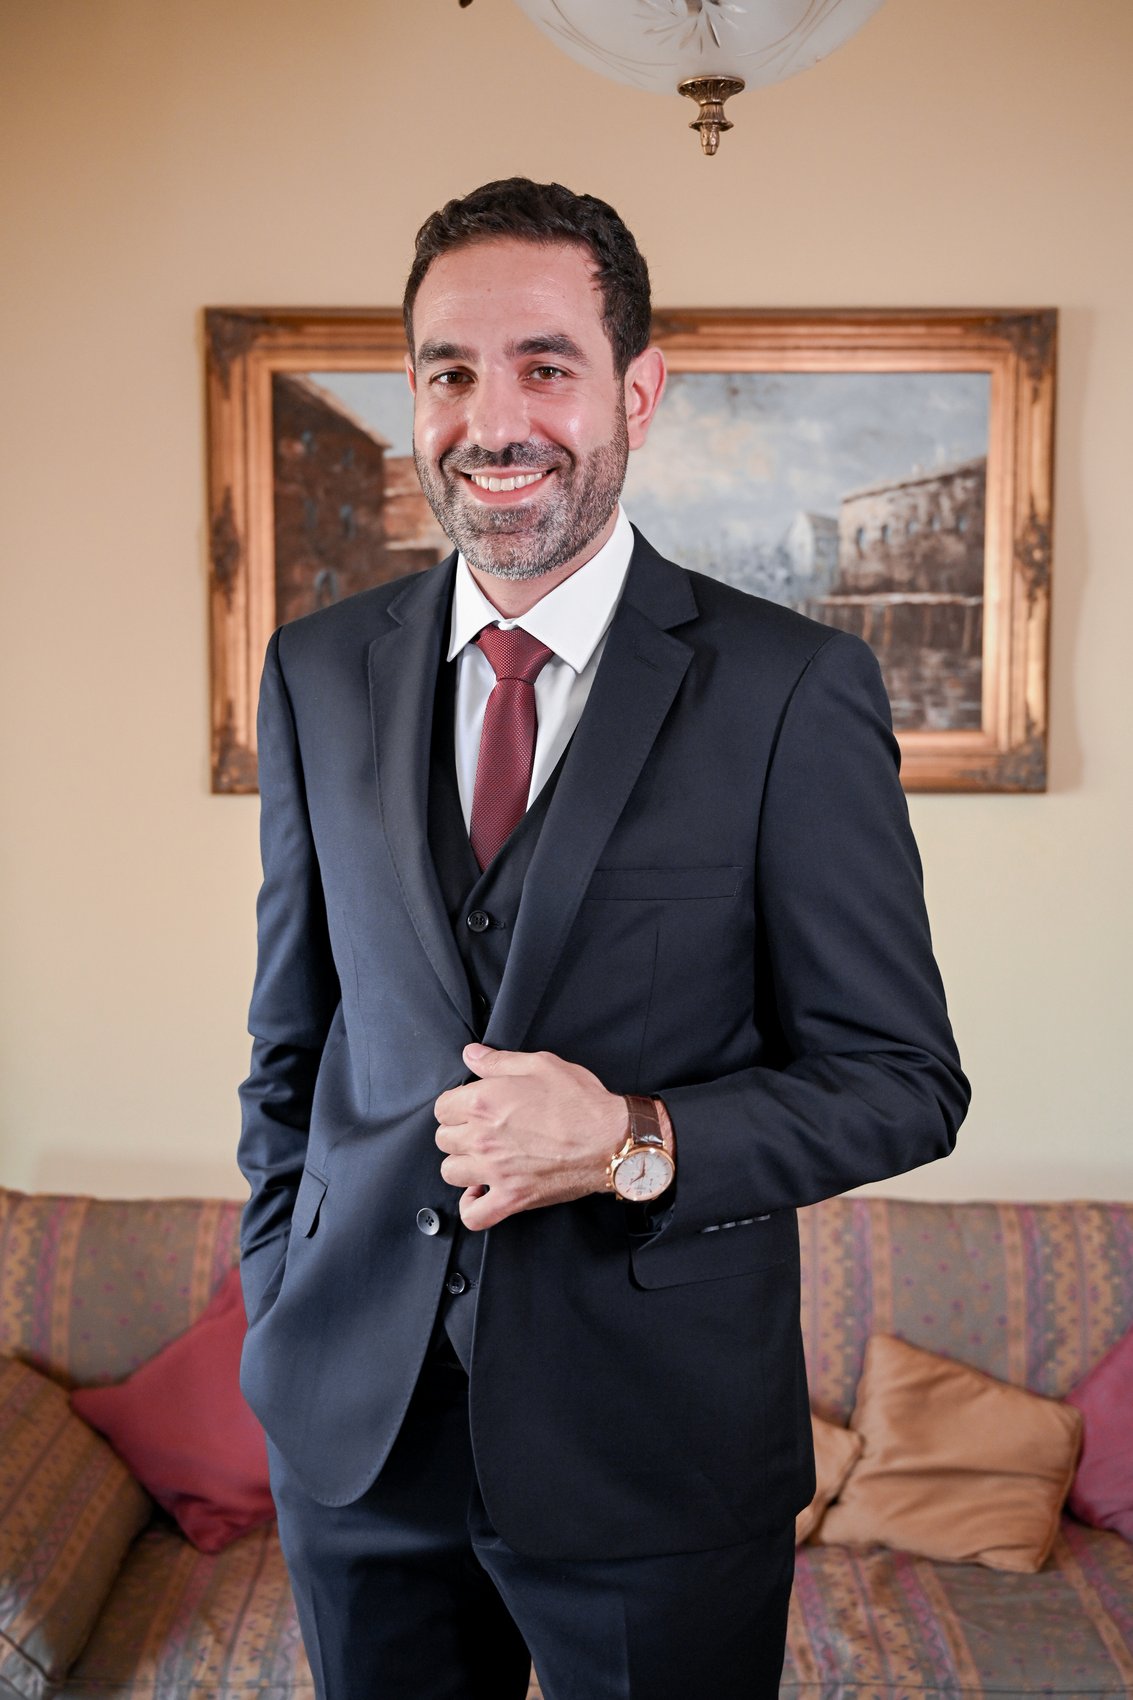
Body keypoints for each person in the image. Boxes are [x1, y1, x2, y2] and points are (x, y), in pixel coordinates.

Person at [237, 177, 969, 1700]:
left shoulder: (788, 691)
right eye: (449, 370)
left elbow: (902, 1082)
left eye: (544, 366)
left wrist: (633, 1139)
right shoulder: (315, 670)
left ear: (637, 390)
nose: (491, 420)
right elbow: (292, 1047)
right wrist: (281, 1308)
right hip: (356, 1441)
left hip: (658, 1456)